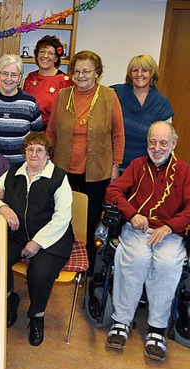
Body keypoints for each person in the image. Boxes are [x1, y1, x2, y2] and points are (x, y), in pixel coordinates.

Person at [104, 122, 190, 361]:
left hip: (169, 232)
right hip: (138, 229)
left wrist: (170, 226)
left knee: (166, 264)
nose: (157, 147)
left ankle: (157, 329)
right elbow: (113, 191)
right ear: (147, 143)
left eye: (164, 143)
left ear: (173, 144)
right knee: (136, 259)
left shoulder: (184, 171)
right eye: (153, 142)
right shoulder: (137, 165)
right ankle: (121, 320)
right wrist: (132, 214)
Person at [0, 132, 74, 347]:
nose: (33, 154)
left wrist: (38, 243)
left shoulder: (59, 178)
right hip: (19, 234)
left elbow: (63, 217)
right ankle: (9, 298)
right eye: (30, 149)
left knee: (39, 273)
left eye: (39, 150)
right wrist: (4, 208)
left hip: (52, 238)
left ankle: (37, 316)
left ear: (48, 154)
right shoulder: (14, 172)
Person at [46, 50, 125, 265]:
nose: (81, 75)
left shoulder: (109, 96)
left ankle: (88, 262)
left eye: (86, 71)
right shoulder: (63, 96)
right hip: (63, 167)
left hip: (97, 169)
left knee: (90, 220)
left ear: (97, 73)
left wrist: (115, 164)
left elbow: (118, 133)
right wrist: (46, 161)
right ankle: (62, 257)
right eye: (77, 71)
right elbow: (51, 132)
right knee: (63, 215)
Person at [0, 54, 43, 164]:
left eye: (14, 75)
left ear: (20, 77)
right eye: (5, 74)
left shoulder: (30, 103)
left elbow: (38, 136)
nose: (9, 79)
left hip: (21, 167)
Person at [111, 54, 174, 170]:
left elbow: (167, 141)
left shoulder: (162, 104)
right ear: (130, 74)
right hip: (111, 167)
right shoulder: (115, 93)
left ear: (152, 74)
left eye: (144, 70)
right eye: (135, 70)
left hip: (144, 170)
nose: (139, 74)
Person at [22, 35, 74, 130]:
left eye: (50, 53)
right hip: (30, 134)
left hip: (53, 134)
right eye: (42, 51)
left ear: (56, 58)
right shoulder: (30, 78)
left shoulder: (65, 81)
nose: (45, 56)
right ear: (37, 55)